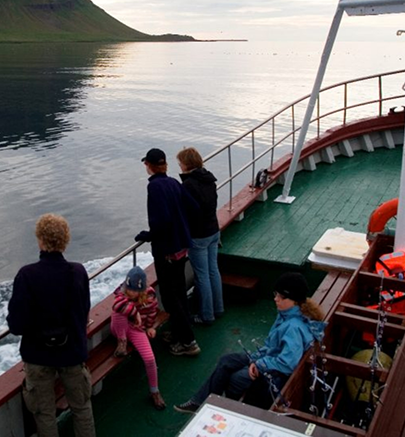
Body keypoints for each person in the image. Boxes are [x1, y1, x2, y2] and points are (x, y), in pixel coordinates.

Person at [174, 273, 325, 414]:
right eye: (276, 294)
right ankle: (200, 402)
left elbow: (288, 363)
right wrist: (257, 358)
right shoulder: (287, 314)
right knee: (227, 361)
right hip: (269, 358)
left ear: (295, 300)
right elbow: (273, 348)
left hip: (276, 373)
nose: (276, 299)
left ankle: (231, 410)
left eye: (281, 296)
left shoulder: (293, 327)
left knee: (235, 380)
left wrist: (260, 364)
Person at [6, 214, 95, 437]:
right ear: (65, 240)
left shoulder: (27, 276)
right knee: (82, 407)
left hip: (38, 357)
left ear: (40, 241)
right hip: (72, 353)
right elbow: (83, 312)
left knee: (44, 414)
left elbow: (16, 325)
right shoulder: (78, 272)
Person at [134, 147, 201, 356]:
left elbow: (160, 221)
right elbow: (194, 208)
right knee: (179, 291)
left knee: (172, 299)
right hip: (182, 248)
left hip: (167, 252)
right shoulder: (173, 182)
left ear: (149, 166)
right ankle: (178, 332)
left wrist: (149, 235)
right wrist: (182, 226)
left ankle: (188, 342)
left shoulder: (154, 188)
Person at [177, 146, 224, 326]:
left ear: (186, 164)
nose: (179, 166)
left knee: (202, 275)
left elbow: (186, 212)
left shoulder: (188, 185)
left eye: (180, 162)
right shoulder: (209, 179)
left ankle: (206, 315)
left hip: (199, 236)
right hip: (213, 230)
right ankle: (218, 308)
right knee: (213, 270)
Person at [110, 265, 166, 410]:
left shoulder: (149, 295)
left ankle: (155, 391)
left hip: (136, 329)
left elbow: (152, 311)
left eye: (135, 290)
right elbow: (116, 305)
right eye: (129, 288)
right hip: (120, 329)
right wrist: (135, 312)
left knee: (149, 359)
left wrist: (150, 327)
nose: (131, 292)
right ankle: (121, 343)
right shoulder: (121, 292)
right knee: (118, 313)